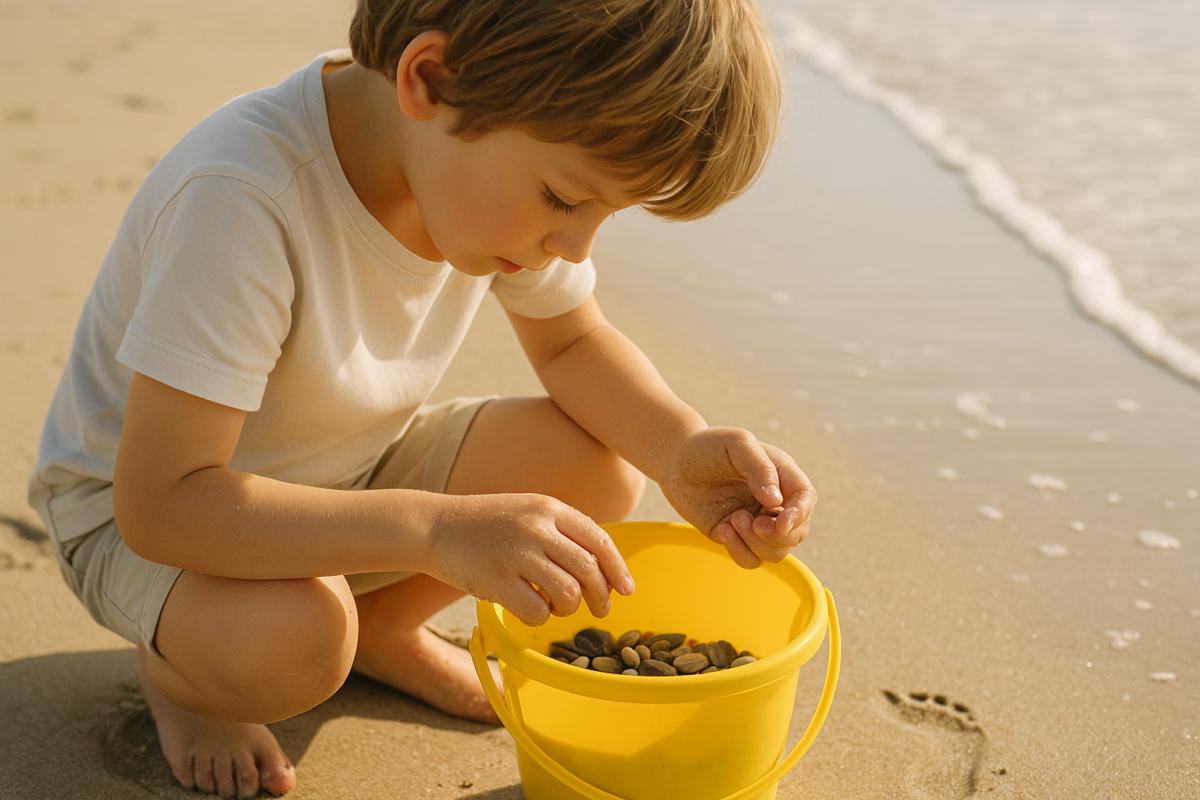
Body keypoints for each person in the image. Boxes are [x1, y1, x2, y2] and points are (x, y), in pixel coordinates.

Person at [26, 0, 817, 796]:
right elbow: (163, 506)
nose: (575, 245)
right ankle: (184, 680)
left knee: (602, 468)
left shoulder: (471, 142)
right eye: (566, 200)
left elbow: (572, 343)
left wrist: (681, 448)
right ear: (430, 79)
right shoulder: (243, 198)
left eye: (605, 215)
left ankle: (379, 628)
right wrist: (434, 532)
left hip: (343, 471)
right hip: (153, 524)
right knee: (291, 644)